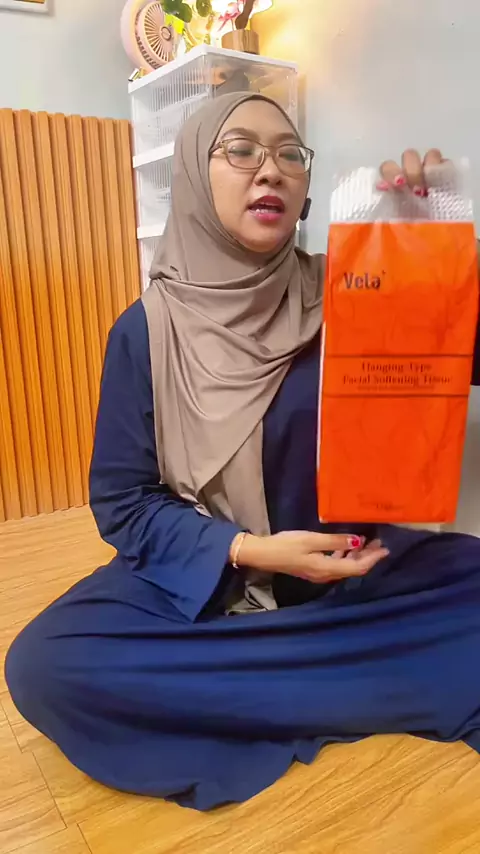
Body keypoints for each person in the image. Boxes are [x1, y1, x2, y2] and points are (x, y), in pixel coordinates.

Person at [5, 92, 480, 812]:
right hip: (213, 585)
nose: (271, 169)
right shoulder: (146, 331)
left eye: (290, 154)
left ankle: (271, 682)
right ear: (196, 176)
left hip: (359, 571)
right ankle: (355, 671)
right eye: (241, 150)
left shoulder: (355, 288)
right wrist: (250, 551)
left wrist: (435, 260)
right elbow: (125, 503)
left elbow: (459, 360)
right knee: (47, 663)